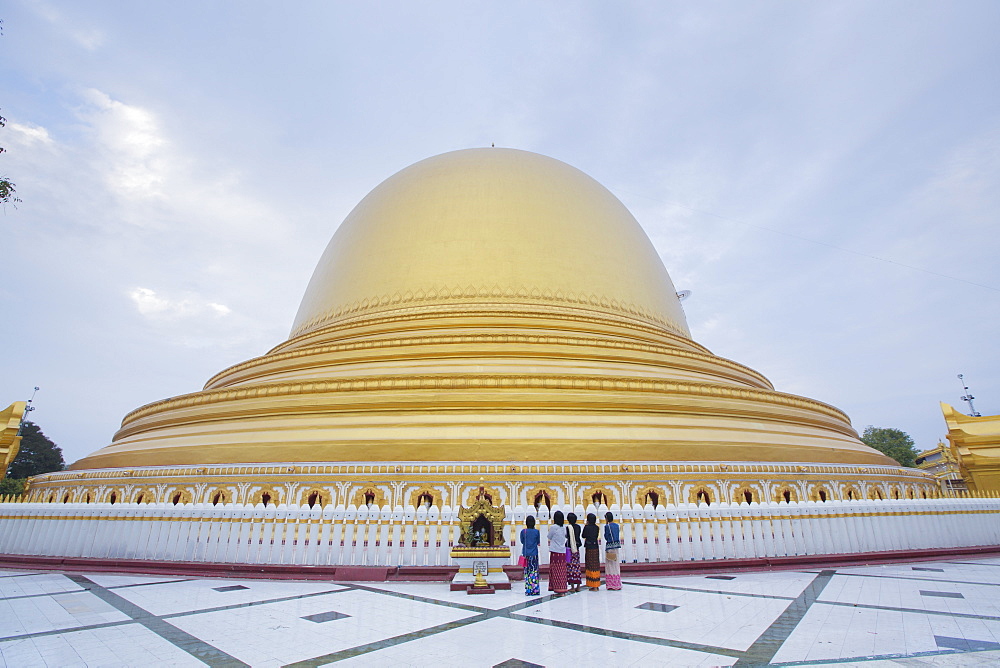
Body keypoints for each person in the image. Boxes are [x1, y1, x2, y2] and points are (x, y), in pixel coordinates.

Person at [547, 510, 568, 594]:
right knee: (561, 570)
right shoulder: (564, 528)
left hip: (555, 551)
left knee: (555, 569)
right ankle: (562, 586)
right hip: (562, 551)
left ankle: (556, 587)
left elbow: (549, 536)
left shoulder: (553, 527)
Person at [519, 515, 540, 595]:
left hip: (526, 554)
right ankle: (535, 589)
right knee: (534, 571)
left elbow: (522, 541)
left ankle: (528, 589)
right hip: (534, 554)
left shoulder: (523, 532)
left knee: (527, 572)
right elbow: (538, 542)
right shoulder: (536, 532)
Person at [582, 513, 602, 590]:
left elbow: (583, 535)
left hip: (589, 547)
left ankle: (592, 584)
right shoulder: (596, 527)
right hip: (595, 546)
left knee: (590, 565)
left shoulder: (587, 527)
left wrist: (586, 525)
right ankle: (596, 583)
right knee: (595, 565)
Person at [603, 511, 622, 590]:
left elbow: (606, 537)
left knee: (610, 565)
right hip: (616, 546)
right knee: (616, 564)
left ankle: (611, 584)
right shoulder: (617, 525)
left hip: (610, 546)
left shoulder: (607, 526)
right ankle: (617, 582)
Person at [565, 512, 583, 592]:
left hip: (570, 548)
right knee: (577, 566)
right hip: (576, 548)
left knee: (570, 567)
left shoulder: (568, 527)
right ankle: (578, 586)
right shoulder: (578, 527)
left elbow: (566, 536)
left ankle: (572, 586)